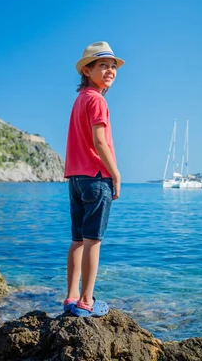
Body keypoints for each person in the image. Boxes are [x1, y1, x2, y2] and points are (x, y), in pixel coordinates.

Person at [63, 41, 124, 317]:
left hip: (75, 178)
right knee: (93, 241)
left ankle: (71, 297)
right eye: (103, 65)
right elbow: (100, 142)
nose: (110, 70)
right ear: (87, 70)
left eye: (113, 66)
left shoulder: (80, 99)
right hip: (96, 177)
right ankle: (87, 301)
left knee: (77, 240)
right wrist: (116, 173)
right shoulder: (98, 100)